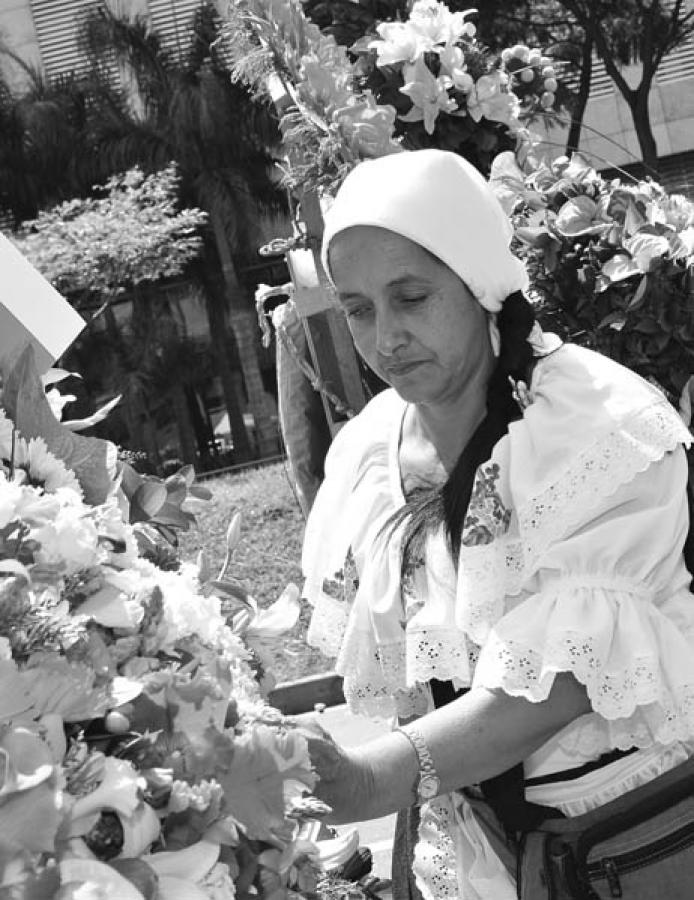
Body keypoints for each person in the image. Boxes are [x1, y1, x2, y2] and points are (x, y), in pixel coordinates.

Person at [300, 148, 694, 900]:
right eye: (357, 309)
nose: (384, 339)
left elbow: (559, 686)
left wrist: (370, 779)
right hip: (474, 847)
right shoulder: (369, 454)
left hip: (626, 842)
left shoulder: (590, 422)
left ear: (478, 283)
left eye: (410, 297)